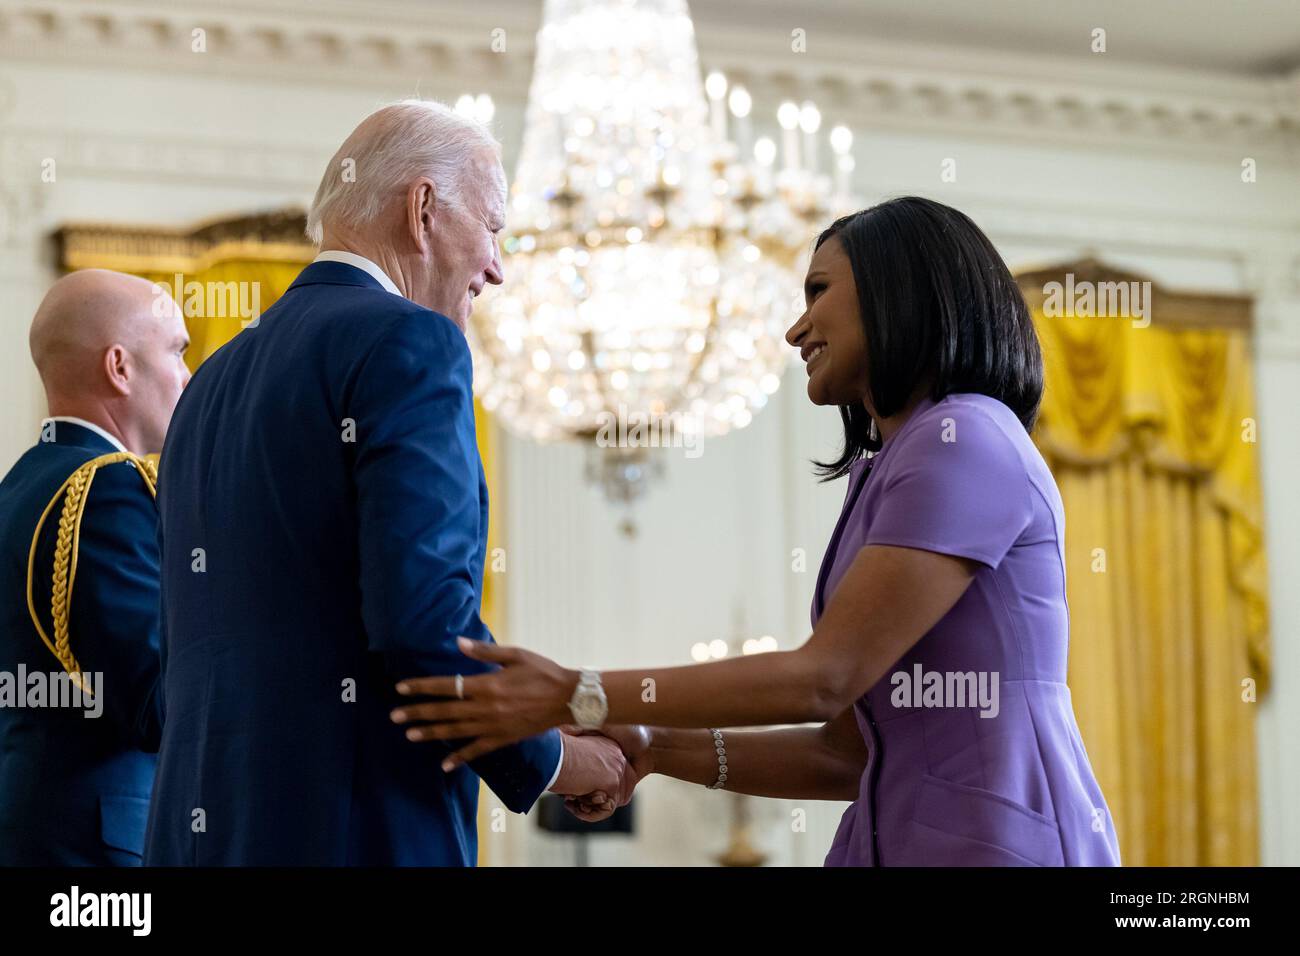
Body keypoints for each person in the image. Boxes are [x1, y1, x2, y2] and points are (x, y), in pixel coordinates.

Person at [389, 197, 1124, 867]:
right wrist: (654, 747)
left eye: (817, 292)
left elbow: (822, 678)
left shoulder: (967, 437)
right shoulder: (893, 464)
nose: (795, 328)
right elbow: (845, 756)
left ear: (900, 291)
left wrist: (580, 693)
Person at [142, 101, 627, 866]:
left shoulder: (209, 381)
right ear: (424, 208)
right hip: (355, 831)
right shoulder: (410, 340)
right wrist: (557, 761)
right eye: (493, 229)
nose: (497, 267)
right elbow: (420, 623)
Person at [0, 269, 189, 865]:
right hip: (97, 851)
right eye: (177, 352)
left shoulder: (20, 484)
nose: (187, 375)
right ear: (120, 367)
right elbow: (158, 707)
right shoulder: (108, 489)